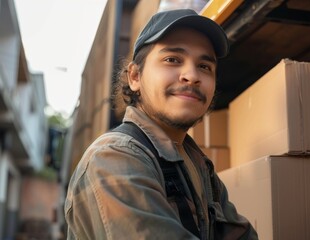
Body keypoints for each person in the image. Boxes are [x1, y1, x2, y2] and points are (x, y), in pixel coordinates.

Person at [64, 9, 258, 240]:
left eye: (204, 66)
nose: (192, 75)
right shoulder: (112, 158)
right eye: (172, 60)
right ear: (135, 77)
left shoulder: (196, 162)